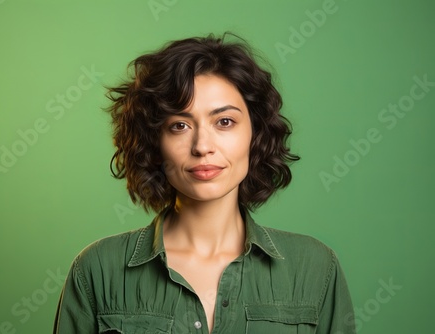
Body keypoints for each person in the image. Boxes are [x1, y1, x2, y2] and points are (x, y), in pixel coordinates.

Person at [53, 33, 356, 334]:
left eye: (224, 122)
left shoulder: (315, 268)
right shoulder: (97, 270)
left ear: (256, 134)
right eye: (180, 125)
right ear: (155, 142)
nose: (202, 146)